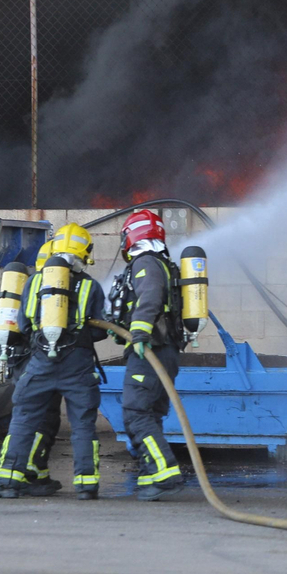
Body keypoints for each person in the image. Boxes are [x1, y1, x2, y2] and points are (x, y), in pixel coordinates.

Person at [0, 222, 106, 500]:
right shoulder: (91, 285)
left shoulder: (35, 281)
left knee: (24, 419)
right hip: (77, 367)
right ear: (84, 251)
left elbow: (23, 325)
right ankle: (86, 485)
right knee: (82, 424)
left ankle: (7, 482)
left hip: (40, 364)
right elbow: (101, 330)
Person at [113, 208, 185, 500]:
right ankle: (151, 473)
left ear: (133, 236)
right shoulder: (161, 262)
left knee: (136, 412)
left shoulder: (146, 263)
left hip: (150, 348)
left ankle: (163, 471)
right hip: (162, 350)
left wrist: (139, 332)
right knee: (150, 413)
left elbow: (151, 296)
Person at [0, 241, 61, 496]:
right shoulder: (51, 289)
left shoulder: (25, 285)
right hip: (37, 360)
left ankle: (16, 473)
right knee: (43, 417)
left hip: (17, 359)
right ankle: (28, 473)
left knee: (23, 417)